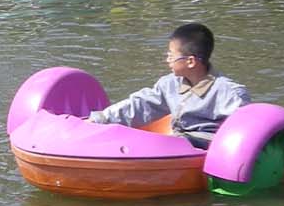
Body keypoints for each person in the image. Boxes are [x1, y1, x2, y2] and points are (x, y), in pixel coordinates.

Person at [88, 23, 251, 149]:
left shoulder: (230, 93)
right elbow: (140, 105)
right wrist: (101, 119)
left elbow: (245, 132)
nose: (167, 60)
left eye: (171, 56)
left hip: (207, 147)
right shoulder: (169, 84)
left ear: (190, 61)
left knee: (175, 142)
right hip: (177, 143)